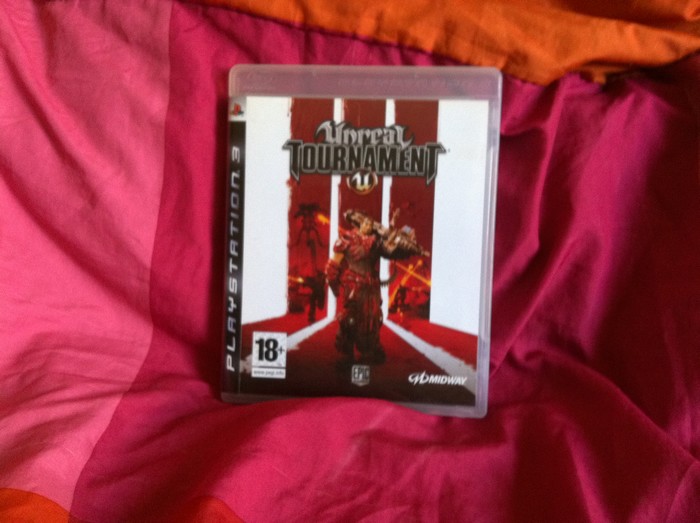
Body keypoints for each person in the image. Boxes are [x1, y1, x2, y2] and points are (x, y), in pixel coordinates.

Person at [325, 210, 428, 367]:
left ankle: (369, 350)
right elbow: (333, 264)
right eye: (365, 222)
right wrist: (333, 284)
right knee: (349, 319)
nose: (368, 225)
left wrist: (407, 242)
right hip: (353, 285)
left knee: (373, 319)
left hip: (371, 286)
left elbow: (393, 251)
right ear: (358, 222)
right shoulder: (346, 239)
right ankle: (346, 353)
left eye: (370, 223)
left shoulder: (376, 242)